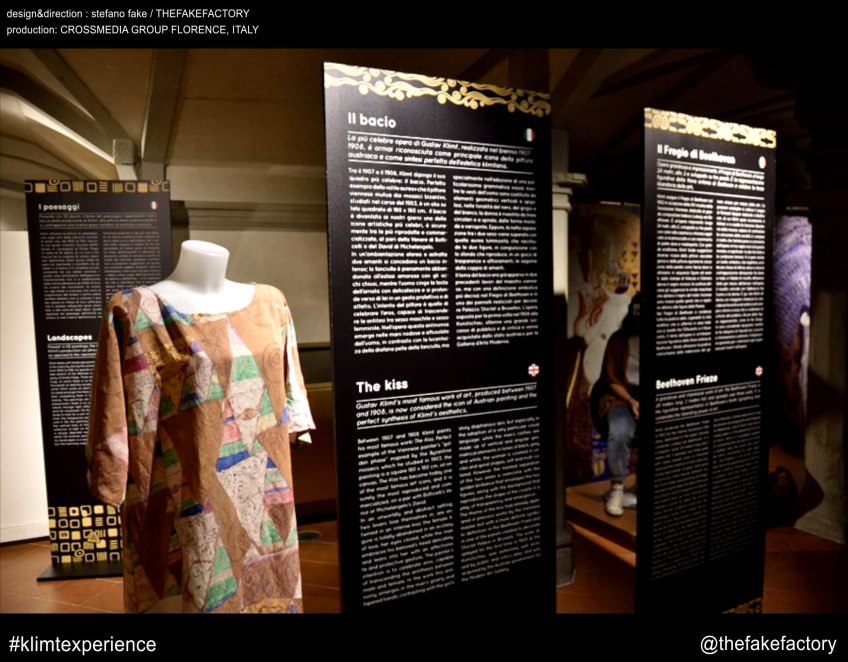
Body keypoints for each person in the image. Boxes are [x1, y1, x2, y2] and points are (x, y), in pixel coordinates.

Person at [598, 292, 641, 517]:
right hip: (622, 396)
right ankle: (616, 488)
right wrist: (631, 400)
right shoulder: (618, 339)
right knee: (620, 431)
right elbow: (610, 378)